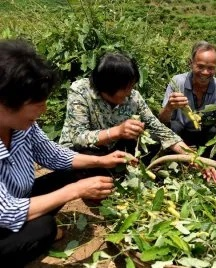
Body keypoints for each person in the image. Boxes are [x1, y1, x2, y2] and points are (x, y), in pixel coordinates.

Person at [0, 39, 135, 267]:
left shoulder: (24, 126)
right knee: (45, 228)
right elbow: (6, 213)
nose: (42, 110)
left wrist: (101, 160)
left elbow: (53, 155)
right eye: (36, 102)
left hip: (17, 199)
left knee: (68, 173)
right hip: (4, 214)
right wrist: (76, 191)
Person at [59, 52, 216, 181]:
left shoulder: (133, 97)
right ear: (108, 87)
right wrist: (116, 132)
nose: (130, 92)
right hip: (83, 153)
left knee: (153, 141)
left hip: (113, 150)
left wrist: (194, 159)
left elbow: (160, 129)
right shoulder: (81, 91)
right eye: (126, 88)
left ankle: (120, 175)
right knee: (89, 165)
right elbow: (77, 136)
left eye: (132, 86)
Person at [159, 41, 216, 148]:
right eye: (200, 66)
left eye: (211, 68)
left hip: (204, 134)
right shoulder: (177, 82)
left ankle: (209, 159)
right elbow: (162, 120)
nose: (205, 72)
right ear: (191, 63)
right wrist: (169, 107)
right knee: (171, 128)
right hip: (180, 134)